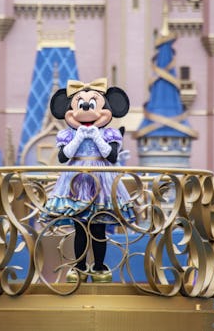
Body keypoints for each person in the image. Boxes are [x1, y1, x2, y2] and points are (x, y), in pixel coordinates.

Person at [41, 78, 136, 283]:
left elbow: (111, 156)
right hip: (76, 183)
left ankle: (99, 267)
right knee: (79, 227)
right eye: (80, 104)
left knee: (98, 227)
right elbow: (63, 157)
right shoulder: (67, 134)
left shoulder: (109, 133)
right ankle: (80, 266)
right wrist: (78, 138)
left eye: (91, 104)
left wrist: (96, 137)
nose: (85, 108)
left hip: (101, 182)